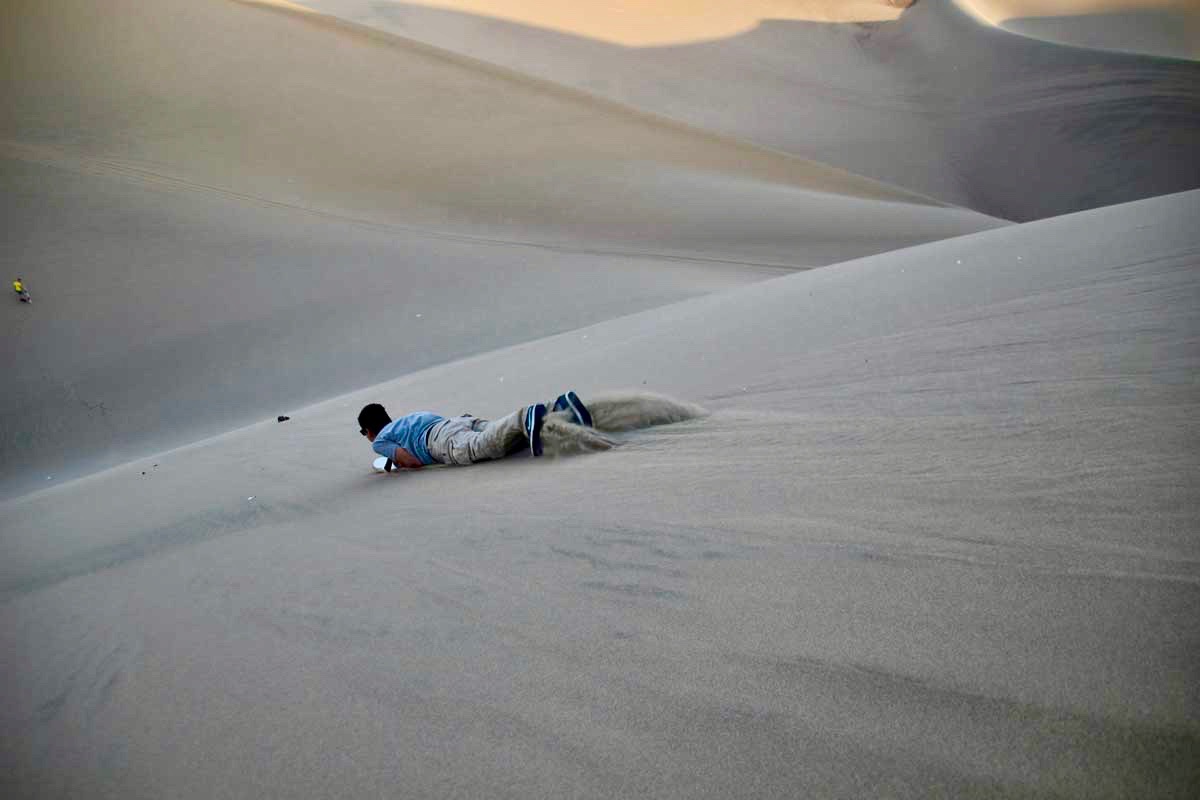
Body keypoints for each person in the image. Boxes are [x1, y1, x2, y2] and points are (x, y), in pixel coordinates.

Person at [358, 390, 593, 471]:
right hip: (457, 423)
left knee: (484, 446)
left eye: (363, 433)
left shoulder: (380, 441)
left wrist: (401, 465)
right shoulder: (407, 420)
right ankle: (560, 410)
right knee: (508, 438)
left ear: (369, 430)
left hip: (440, 440)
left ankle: (526, 416)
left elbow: (411, 461)